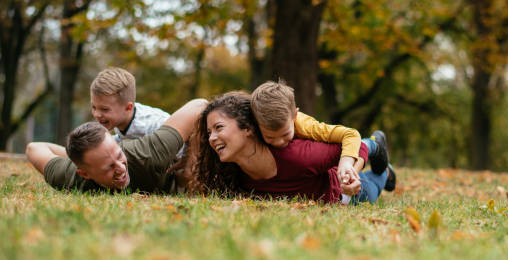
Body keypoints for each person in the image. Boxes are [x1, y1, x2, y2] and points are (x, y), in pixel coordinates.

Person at [180, 92, 394, 204]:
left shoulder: (298, 155)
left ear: (247, 128)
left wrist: (350, 173)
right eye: (209, 133)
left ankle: (377, 149)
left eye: (218, 128)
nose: (212, 138)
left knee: (374, 182)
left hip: (346, 193)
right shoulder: (233, 174)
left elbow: (350, 145)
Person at [25, 99, 207, 193]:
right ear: (85, 173)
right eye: (109, 166)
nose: (121, 168)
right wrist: (78, 159)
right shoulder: (73, 177)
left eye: (119, 156)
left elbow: (199, 105)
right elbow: (33, 148)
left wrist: (190, 164)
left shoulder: (146, 154)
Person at [251, 81, 390, 183]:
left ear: (295, 116)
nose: (278, 142)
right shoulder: (255, 128)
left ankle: (374, 143)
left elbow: (350, 134)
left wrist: (346, 163)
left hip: (337, 158)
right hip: (318, 172)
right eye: (269, 137)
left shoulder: (306, 126)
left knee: (363, 182)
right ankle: (388, 174)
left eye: (285, 134)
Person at [90, 67, 170, 143]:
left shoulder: (153, 126)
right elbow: (123, 138)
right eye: (94, 107)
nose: (97, 114)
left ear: (128, 108)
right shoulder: (121, 120)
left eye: (105, 109)